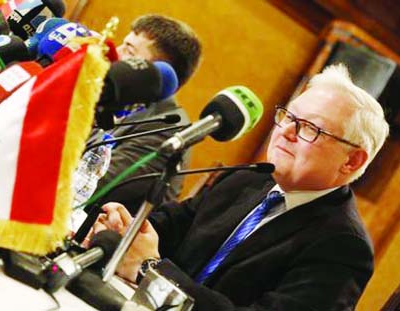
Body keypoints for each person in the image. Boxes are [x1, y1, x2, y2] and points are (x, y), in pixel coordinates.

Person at [86, 64, 390, 310]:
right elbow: (172, 225)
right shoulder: (249, 177)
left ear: (352, 161)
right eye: (288, 117)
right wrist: (127, 228)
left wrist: (149, 270)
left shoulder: (343, 247)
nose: (285, 132)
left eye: (310, 128)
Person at [86, 14, 202, 213]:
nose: (115, 53)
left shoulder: (167, 128)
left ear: (161, 72)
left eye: (129, 50)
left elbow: (94, 186)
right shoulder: (119, 101)